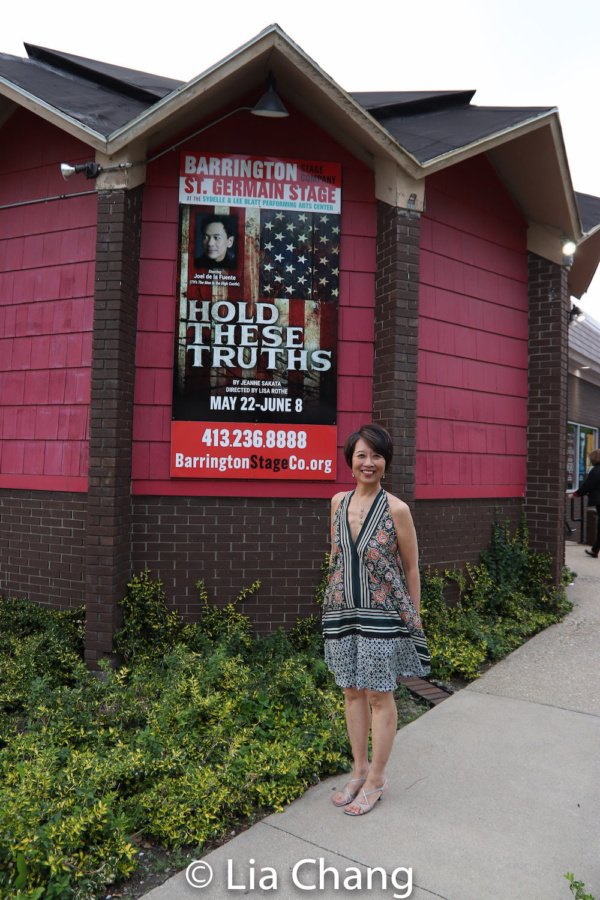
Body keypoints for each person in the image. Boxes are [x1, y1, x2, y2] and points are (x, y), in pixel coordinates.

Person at [322, 423, 430, 816]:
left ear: (386, 462)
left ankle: (377, 779)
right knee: (351, 691)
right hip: (341, 610)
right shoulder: (336, 502)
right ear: (350, 460)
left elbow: (412, 568)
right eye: (362, 455)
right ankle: (359, 770)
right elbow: (336, 554)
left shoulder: (397, 509)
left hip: (382, 615)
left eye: (377, 455)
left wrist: (412, 619)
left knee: (379, 695)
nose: (369, 463)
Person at [575, 448, 600, 558]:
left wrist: (576, 494)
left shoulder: (597, 470)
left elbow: (588, 485)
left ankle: (595, 550)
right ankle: (595, 550)